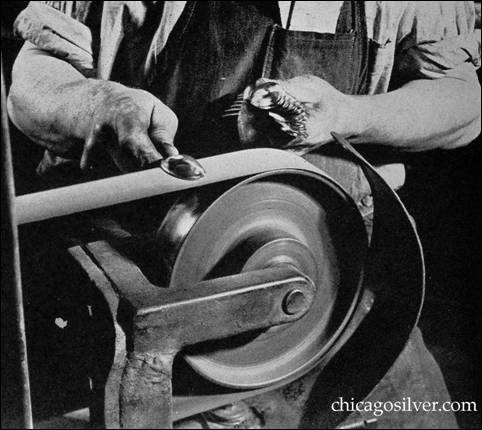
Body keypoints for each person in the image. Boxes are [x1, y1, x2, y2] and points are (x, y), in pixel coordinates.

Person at [7, 1, 481, 428]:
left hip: (341, 293)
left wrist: (349, 114)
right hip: (149, 302)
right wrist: (99, 105)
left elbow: (463, 102)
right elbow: (33, 82)